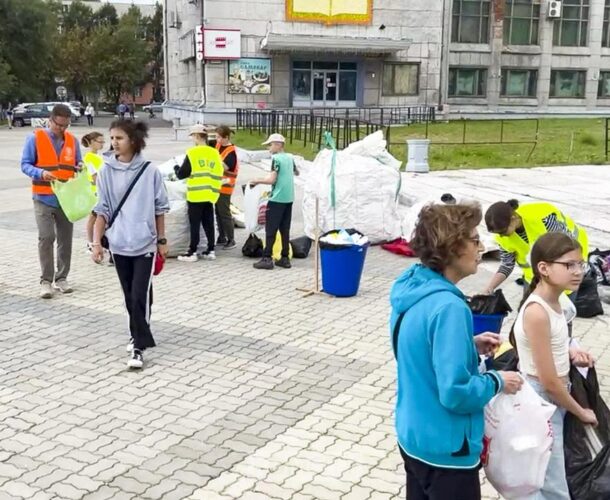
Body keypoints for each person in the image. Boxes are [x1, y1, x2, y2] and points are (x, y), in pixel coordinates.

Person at [390, 202, 523, 500]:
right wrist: (499, 380)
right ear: (451, 247)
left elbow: (414, 347)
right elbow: (456, 393)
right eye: (475, 240)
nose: (481, 247)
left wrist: (466, 344)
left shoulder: (412, 287)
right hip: (446, 447)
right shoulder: (450, 307)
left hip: (413, 434)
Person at [511, 232, 596, 499]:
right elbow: (548, 381)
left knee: (553, 475)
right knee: (553, 484)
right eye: (568, 265)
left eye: (580, 264)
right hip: (543, 400)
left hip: (556, 396)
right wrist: (581, 411)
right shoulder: (537, 312)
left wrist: (573, 350)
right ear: (544, 268)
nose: (578, 272)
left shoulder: (559, 302)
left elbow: (558, 340)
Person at [91, 120, 169, 369]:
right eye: (111, 138)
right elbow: (101, 210)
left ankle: (138, 346)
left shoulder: (150, 171)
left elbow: (159, 208)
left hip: (144, 244)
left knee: (139, 295)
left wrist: (162, 240)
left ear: (134, 141)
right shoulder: (105, 171)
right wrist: (96, 242)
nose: (114, 143)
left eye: (119, 138)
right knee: (129, 295)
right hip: (118, 243)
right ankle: (136, 330)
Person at [21, 104, 83, 298]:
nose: (62, 129)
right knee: (46, 237)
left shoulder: (73, 141)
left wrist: (79, 166)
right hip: (43, 197)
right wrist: (41, 173)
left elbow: (77, 162)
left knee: (65, 240)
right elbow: (25, 164)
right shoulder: (35, 138)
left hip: (66, 198)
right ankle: (46, 281)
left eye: (66, 125)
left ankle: (62, 278)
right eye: (59, 125)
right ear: (51, 120)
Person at [484, 200, 588, 296]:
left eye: (502, 231)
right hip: (536, 276)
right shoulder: (502, 237)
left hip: (567, 264)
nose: (501, 236)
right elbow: (507, 265)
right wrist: (489, 288)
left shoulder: (543, 218)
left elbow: (566, 250)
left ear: (513, 219)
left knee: (560, 310)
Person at [174, 124, 224, 262]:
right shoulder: (214, 152)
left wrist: (176, 168)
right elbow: (220, 171)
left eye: (192, 136)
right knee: (208, 222)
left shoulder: (192, 153)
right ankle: (211, 250)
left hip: (196, 194)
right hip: (210, 193)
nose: (192, 139)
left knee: (195, 223)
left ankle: (192, 251)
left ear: (196, 136)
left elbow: (182, 174)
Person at [250, 133, 298, 270]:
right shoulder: (290, 157)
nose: (269, 148)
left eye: (270, 145)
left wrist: (257, 180)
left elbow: (272, 180)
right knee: (285, 228)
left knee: (271, 229)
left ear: (278, 145)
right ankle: (285, 257)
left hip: (277, 198)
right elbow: (297, 172)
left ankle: (267, 257)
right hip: (289, 197)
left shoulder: (276, 159)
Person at [214, 125, 239, 250]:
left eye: (219, 137)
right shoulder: (219, 146)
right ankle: (222, 237)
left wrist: (214, 159)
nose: (217, 139)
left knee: (224, 213)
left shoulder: (231, 152)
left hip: (226, 186)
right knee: (218, 212)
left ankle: (231, 239)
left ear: (226, 137)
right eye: (216, 137)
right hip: (218, 186)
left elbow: (225, 167)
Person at [81, 132, 105, 253]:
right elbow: (94, 177)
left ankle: (98, 242)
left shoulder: (98, 157)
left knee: (99, 218)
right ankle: (90, 243)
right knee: (93, 218)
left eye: (103, 142)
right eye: (99, 142)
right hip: (95, 192)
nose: (102, 144)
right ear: (91, 143)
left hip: (101, 191)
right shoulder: (89, 158)